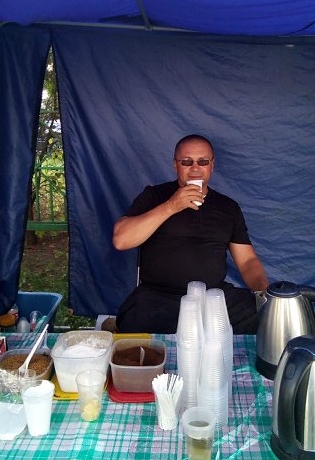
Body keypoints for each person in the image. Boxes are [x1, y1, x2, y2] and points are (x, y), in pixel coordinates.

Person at [113, 134, 269, 334]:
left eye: (203, 162)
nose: (195, 168)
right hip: (159, 297)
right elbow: (121, 240)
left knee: (265, 317)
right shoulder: (154, 196)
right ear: (175, 165)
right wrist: (171, 206)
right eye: (186, 162)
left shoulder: (228, 207)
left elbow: (247, 261)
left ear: (212, 165)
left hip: (213, 298)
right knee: (136, 320)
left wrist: (264, 293)